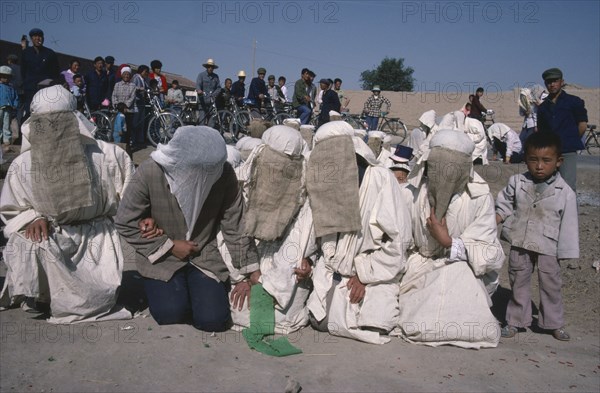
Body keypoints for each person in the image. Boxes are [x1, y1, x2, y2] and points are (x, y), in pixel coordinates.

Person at [0, 85, 135, 323]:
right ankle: (43, 293)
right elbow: (11, 210)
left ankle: (85, 293)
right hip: (49, 234)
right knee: (21, 241)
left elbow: (131, 202)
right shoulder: (22, 165)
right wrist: (33, 218)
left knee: (91, 298)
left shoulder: (111, 156)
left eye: (59, 122)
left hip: (97, 240)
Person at [114, 126, 261, 332]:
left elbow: (235, 225)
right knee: (170, 313)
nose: (208, 174)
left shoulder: (223, 174)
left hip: (203, 254)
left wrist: (250, 270)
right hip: (162, 258)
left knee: (213, 321)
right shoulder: (151, 171)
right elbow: (125, 220)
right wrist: (169, 246)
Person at [395, 129, 505, 348]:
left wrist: (448, 242)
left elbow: (489, 252)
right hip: (420, 265)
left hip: (461, 267)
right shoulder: (413, 193)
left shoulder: (479, 198)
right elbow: (399, 240)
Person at [306, 121, 412, 344]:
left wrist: (364, 274)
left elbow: (397, 242)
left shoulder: (380, 180)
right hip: (332, 272)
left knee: (376, 323)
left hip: (374, 273)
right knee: (320, 320)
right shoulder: (326, 182)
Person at [227, 125, 317, 336]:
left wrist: (264, 284)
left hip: (281, 271)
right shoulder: (240, 183)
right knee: (237, 306)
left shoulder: (303, 194)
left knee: (282, 314)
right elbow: (229, 236)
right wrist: (248, 276)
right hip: (242, 265)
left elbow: (301, 240)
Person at [496, 132, 578, 341]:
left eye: (546, 160)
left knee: (551, 285)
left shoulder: (565, 191)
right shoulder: (517, 181)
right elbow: (504, 202)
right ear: (526, 160)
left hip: (548, 245)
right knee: (518, 281)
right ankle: (515, 321)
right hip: (520, 240)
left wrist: (566, 251)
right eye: (533, 160)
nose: (539, 166)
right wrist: (499, 216)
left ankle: (554, 323)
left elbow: (568, 224)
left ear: (559, 162)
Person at [537, 67, 588, 191]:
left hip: (567, 150)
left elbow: (582, 125)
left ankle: (570, 211)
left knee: (568, 186)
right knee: (547, 185)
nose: (552, 84)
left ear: (562, 82)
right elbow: (541, 131)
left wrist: (571, 138)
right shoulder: (543, 107)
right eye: (549, 82)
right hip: (550, 152)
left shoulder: (574, 102)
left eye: (555, 81)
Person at [20, 28, 59, 118]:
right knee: (30, 113)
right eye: (35, 36)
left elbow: (56, 71)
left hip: (46, 90)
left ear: (43, 38)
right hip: (30, 89)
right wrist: (26, 84)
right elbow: (23, 71)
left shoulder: (50, 53)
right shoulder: (26, 53)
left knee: (46, 113)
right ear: (31, 39)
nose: (38, 38)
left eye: (40, 36)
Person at [112, 66, 137, 157]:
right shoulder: (117, 84)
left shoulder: (133, 85)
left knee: (127, 130)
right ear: (122, 75)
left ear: (130, 76)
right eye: (125, 74)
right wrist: (117, 105)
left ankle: (126, 148)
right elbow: (114, 96)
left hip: (128, 111)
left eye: (128, 74)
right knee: (118, 129)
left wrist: (125, 106)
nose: (126, 76)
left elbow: (132, 97)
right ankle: (118, 147)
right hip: (118, 111)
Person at [195, 58, 221, 127]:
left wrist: (214, 95)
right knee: (202, 123)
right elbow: (198, 85)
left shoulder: (216, 77)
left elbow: (218, 88)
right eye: (209, 67)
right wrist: (199, 90)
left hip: (212, 103)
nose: (210, 68)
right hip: (202, 102)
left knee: (211, 123)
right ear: (206, 67)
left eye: (212, 67)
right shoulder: (201, 75)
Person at [131, 65, 149, 150]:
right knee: (135, 122)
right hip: (136, 103)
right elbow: (132, 87)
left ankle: (139, 140)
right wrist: (140, 89)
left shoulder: (143, 79)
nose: (147, 74)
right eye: (146, 72)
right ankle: (134, 140)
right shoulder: (136, 78)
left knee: (141, 122)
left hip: (142, 102)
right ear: (141, 71)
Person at [0, 66, 19, 149]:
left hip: (8, 108)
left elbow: (16, 97)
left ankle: (6, 139)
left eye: (8, 77)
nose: (6, 79)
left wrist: (15, 104)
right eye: (3, 76)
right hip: (0, 107)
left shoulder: (11, 87)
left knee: (6, 124)